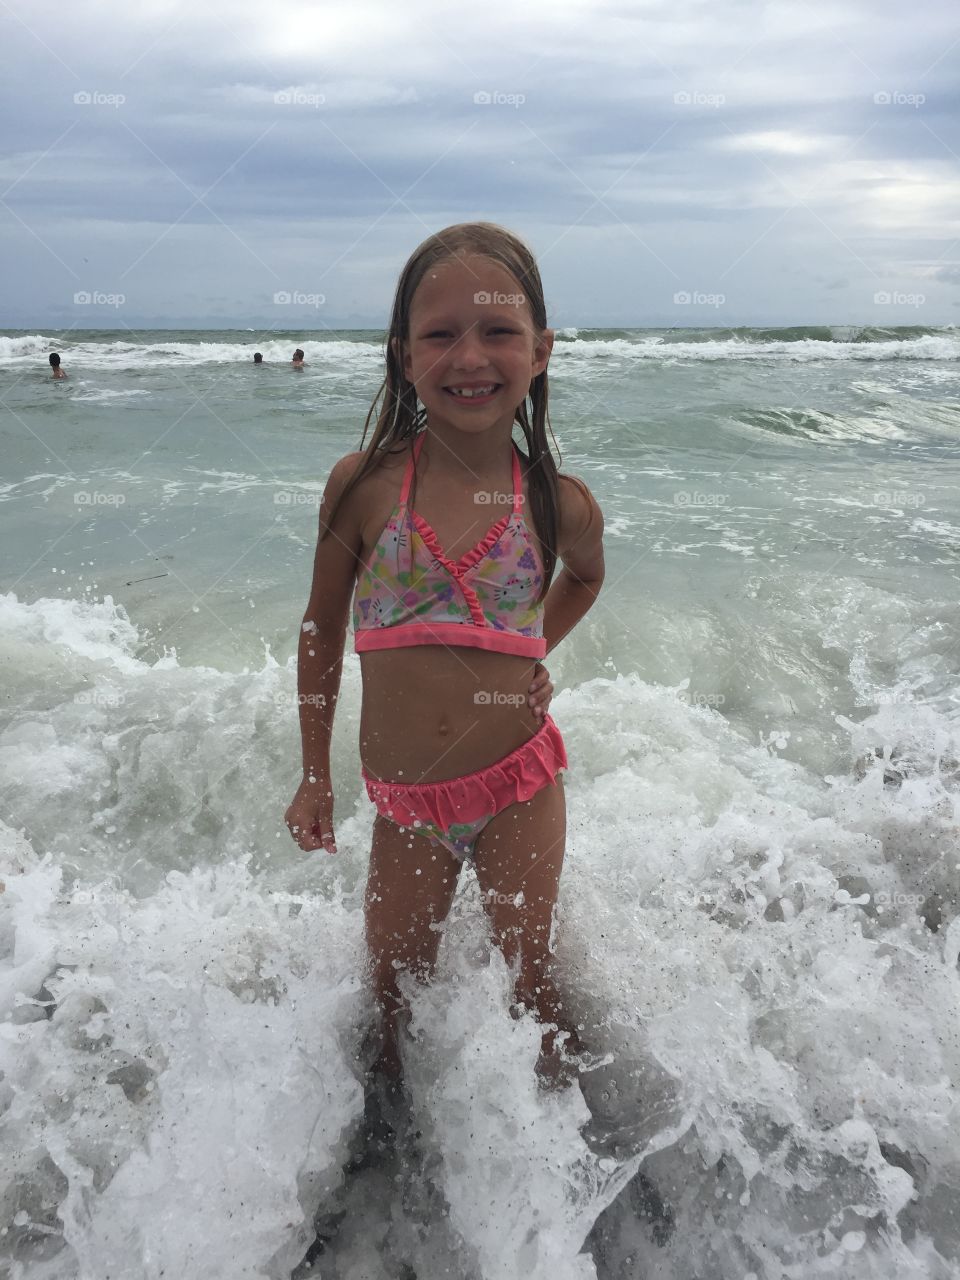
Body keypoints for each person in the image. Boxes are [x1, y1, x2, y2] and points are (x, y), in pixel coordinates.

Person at [284, 223, 605, 1097]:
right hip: (408, 806)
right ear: (404, 354)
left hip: (518, 783)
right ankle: (387, 1147)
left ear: (539, 351)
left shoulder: (556, 501)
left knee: (527, 980)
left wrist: (532, 647)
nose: (470, 355)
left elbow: (587, 578)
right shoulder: (365, 486)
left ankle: (578, 1143)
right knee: (391, 993)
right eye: (440, 333)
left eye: (499, 331)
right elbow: (319, 632)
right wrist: (315, 776)